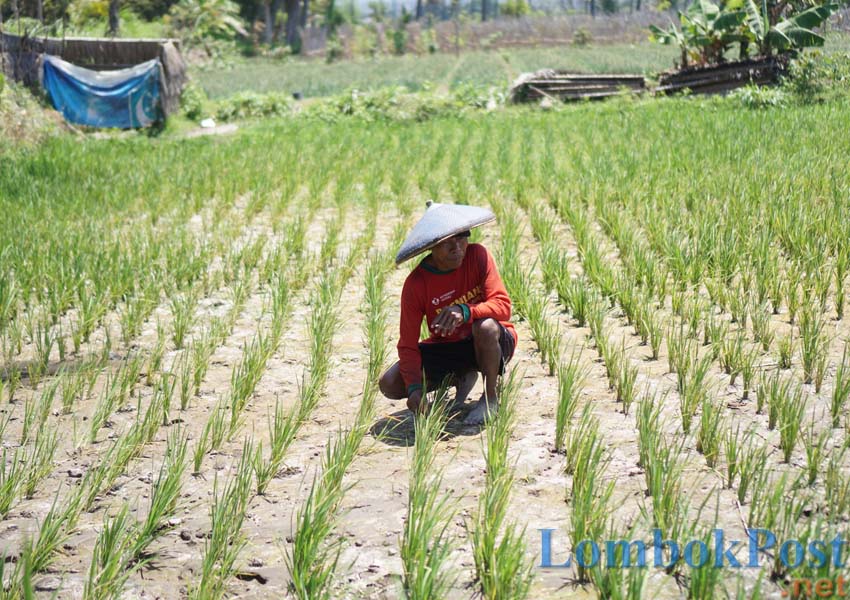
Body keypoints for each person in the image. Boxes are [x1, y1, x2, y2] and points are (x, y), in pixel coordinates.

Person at [378, 230, 517, 425]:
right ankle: (461, 377)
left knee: (485, 327)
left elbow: (503, 306)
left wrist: (466, 311)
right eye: (447, 243)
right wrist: (414, 390)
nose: (457, 248)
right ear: (431, 247)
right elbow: (408, 344)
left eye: (461, 238)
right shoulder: (416, 284)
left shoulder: (478, 255)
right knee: (389, 383)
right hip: (449, 347)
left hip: (492, 343)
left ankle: (490, 398)